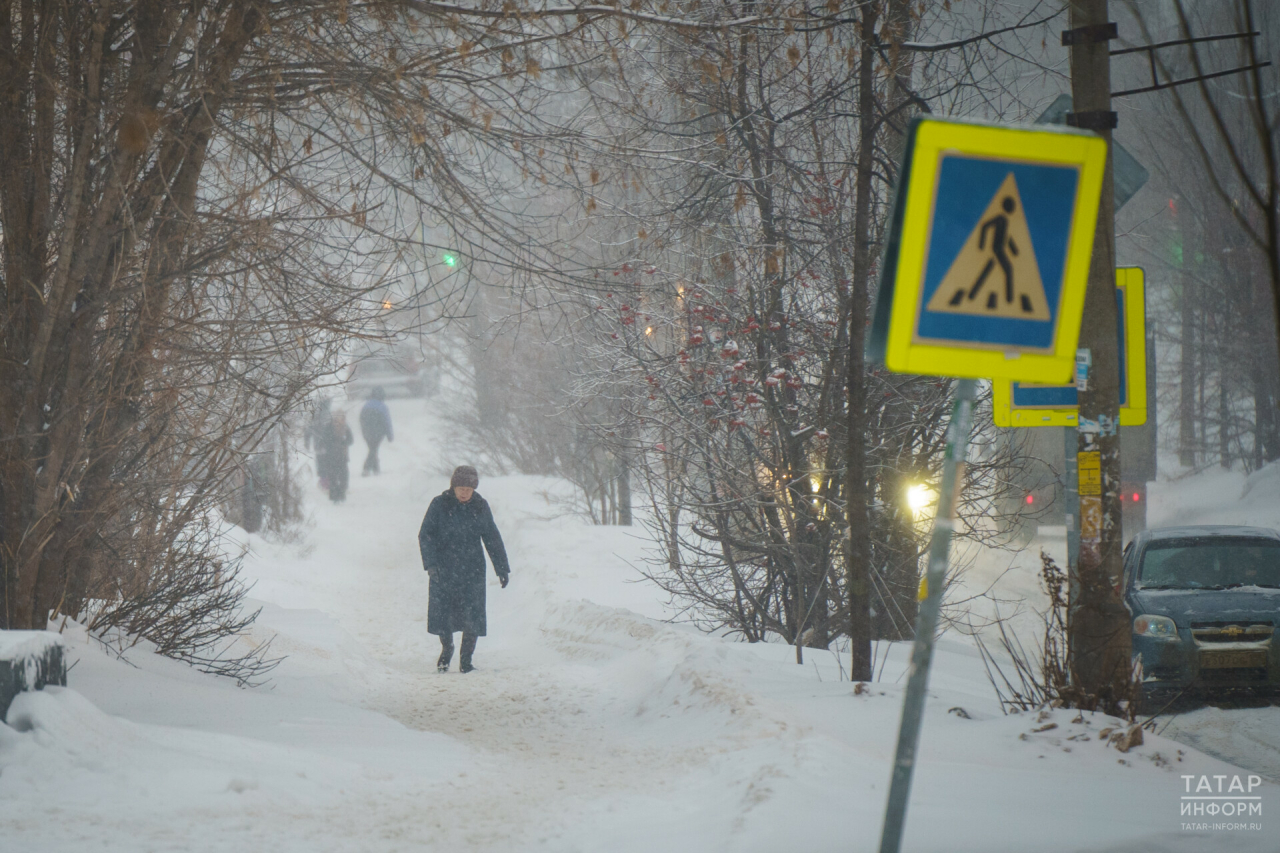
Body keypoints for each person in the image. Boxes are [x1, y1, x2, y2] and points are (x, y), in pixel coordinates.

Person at [417, 465, 510, 673]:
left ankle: (466, 660)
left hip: (472, 569)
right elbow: (426, 535)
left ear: (474, 489)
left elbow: (491, 537)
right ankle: (447, 649)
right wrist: (431, 565)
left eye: (469, 489)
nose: (464, 492)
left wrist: (502, 568)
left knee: (472, 616)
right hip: (444, 568)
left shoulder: (480, 506)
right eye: (461, 488)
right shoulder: (439, 504)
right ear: (453, 486)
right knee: (444, 614)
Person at [359, 387, 394, 476]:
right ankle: (366, 468)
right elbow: (387, 421)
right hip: (378, 432)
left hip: (367, 432)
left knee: (372, 448)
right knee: (373, 449)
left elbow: (361, 419)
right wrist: (390, 435)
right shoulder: (382, 406)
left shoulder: (366, 405)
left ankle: (375, 468)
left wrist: (364, 430)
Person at [322, 409, 354, 503]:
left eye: (343, 417)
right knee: (334, 477)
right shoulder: (329, 427)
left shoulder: (345, 427)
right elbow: (325, 440)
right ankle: (334, 495)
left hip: (342, 457)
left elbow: (351, 440)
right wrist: (336, 444)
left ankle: (340, 494)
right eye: (341, 417)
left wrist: (344, 442)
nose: (342, 419)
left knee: (343, 477)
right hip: (331, 457)